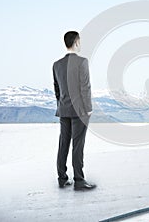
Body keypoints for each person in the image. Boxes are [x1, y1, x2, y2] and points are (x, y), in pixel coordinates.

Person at [52, 31, 96, 191]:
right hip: (80, 111)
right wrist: (88, 108)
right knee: (78, 145)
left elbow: (56, 88)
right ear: (76, 43)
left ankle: (62, 178)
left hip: (63, 109)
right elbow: (85, 87)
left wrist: (61, 104)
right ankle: (79, 180)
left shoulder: (56, 64)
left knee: (63, 143)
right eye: (80, 41)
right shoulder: (82, 62)